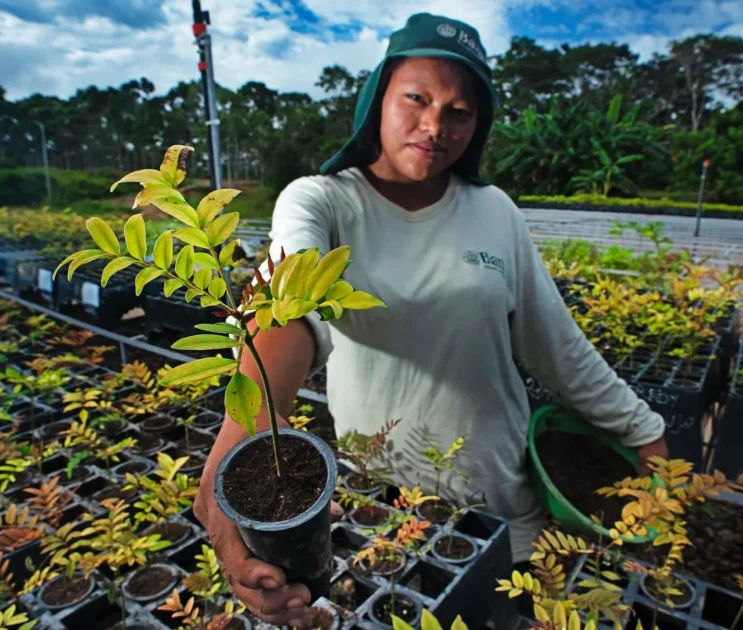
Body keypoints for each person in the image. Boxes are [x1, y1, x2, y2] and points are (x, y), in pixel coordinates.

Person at [193, 12, 669, 629]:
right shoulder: (325, 201)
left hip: (499, 506)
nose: (435, 125)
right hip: (377, 503)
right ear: (378, 98)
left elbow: (560, 351)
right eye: (416, 97)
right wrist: (240, 449)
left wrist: (645, 431)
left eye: (460, 111)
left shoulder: (494, 212)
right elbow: (289, 302)